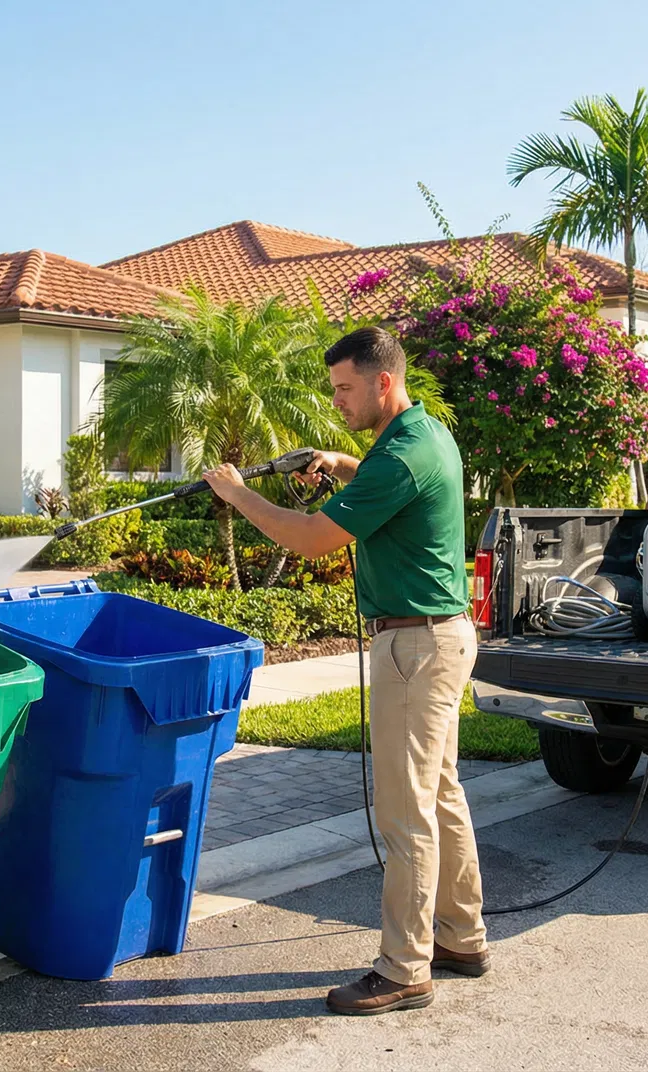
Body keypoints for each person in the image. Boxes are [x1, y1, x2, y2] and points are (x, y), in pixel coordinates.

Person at [201, 325, 488, 1016]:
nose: (337, 401)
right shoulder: (423, 436)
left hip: (415, 649)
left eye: (345, 389)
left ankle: (403, 968)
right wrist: (340, 461)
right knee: (440, 792)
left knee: (405, 810)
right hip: (441, 637)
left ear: (382, 382)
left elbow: (311, 538)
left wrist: (239, 494)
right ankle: (461, 935)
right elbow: (392, 481)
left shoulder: (403, 454)